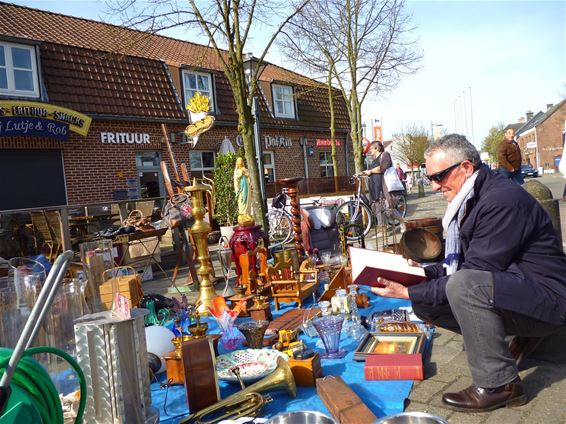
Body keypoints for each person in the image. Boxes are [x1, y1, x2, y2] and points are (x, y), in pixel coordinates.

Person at [371, 134, 566, 412]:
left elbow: (471, 275)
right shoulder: (475, 197)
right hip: (523, 285)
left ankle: (500, 384)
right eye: (430, 179)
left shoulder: (500, 201)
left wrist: (406, 291)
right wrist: (421, 275)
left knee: (464, 287)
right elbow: (461, 262)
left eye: (439, 176)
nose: (436, 186)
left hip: (551, 298)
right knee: (427, 301)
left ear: (465, 168)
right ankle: (515, 337)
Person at [363, 141, 399, 227]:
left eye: (371, 148)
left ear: (377, 148)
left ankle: (401, 222)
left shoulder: (385, 155)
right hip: (374, 186)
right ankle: (382, 228)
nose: (370, 150)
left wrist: (371, 171)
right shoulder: (374, 160)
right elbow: (371, 171)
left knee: (385, 209)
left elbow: (384, 167)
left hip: (382, 186)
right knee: (376, 208)